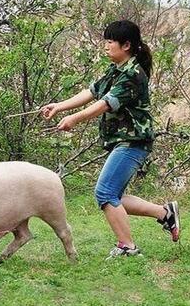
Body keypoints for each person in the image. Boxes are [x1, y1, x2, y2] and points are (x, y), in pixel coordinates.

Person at [40, 20, 180, 259]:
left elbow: (105, 104)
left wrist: (74, 119)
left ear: (126, 45)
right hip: (123, 141)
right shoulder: (116, 70)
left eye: (110, 41)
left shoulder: (133, 75)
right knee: (114, 196)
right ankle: (165, 213)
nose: (105, 46)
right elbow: (92, 92)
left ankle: (127, 247)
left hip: (133, 141)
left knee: (105, 193)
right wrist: (59, 107)